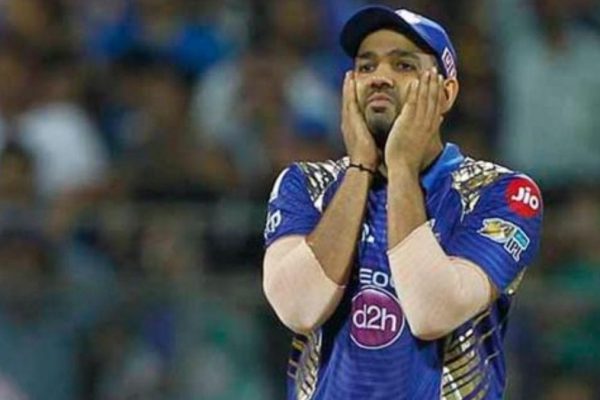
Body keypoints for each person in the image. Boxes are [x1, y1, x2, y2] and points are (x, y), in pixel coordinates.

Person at [262, 5, 543, 400]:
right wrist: (360, 167)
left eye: (404, 65)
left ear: (446, 93)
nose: (380, 77)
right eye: (366, 66)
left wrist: (401, 169)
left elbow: (432, 312)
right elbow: (298, 308)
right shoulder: (307, 184)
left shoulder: (500, 193)